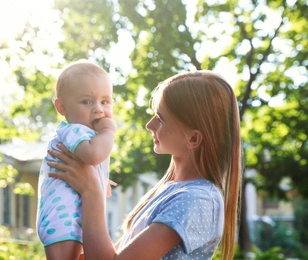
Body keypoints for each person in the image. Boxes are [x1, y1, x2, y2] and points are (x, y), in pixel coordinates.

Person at [47, 70, 242, 260]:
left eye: (160, 118)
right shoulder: (171, 190)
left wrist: (91, 191)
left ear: (193, 138)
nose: (149, 125)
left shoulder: (197, 199)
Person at [36, 59, 116, 260]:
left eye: (105, 101)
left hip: (70, 220)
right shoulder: (73, 130)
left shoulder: (83, 134)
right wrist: (108, 130)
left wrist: (101, 179)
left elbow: (89, 164)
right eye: (87, 102)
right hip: (63, 220)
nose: (98, 109)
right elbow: (93, 155)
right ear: (62, 107)